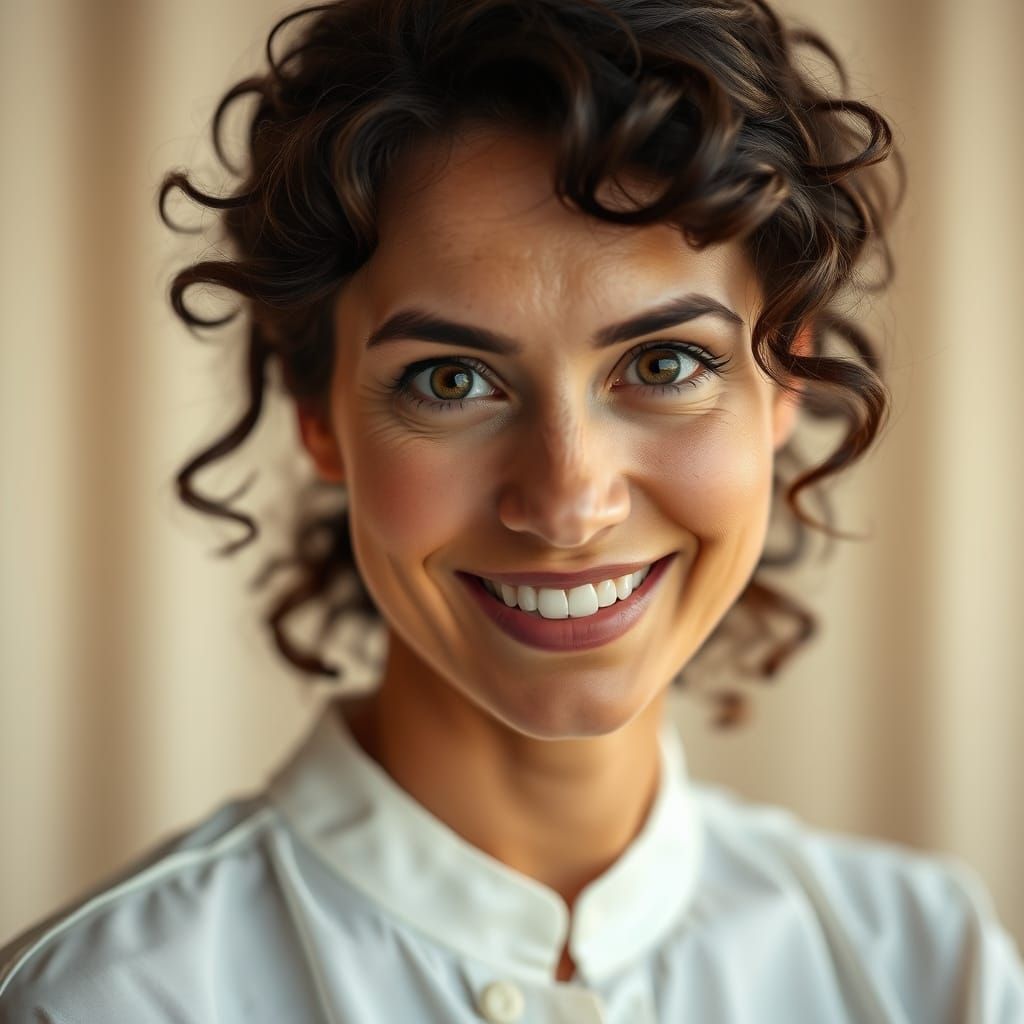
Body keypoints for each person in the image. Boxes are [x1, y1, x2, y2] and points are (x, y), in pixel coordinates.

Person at [2, 0, 1022, 1020]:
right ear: (317, 415)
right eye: (450, 381)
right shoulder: (106, 999)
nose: (570, 502)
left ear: (786, 374)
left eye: (663, 364)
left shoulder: (930, 973)